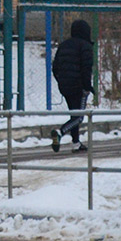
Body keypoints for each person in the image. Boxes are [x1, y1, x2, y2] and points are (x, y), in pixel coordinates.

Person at [50, 18, 96, 153]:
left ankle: (76, 143)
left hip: (65, 86)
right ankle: (60, 132)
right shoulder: (85, 46)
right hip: (79, 87)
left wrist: (61, 81)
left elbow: (55, 67)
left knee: (73, 114)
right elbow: (86, 68)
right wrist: (87, 87)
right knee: (79, 116)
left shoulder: (63, 45)